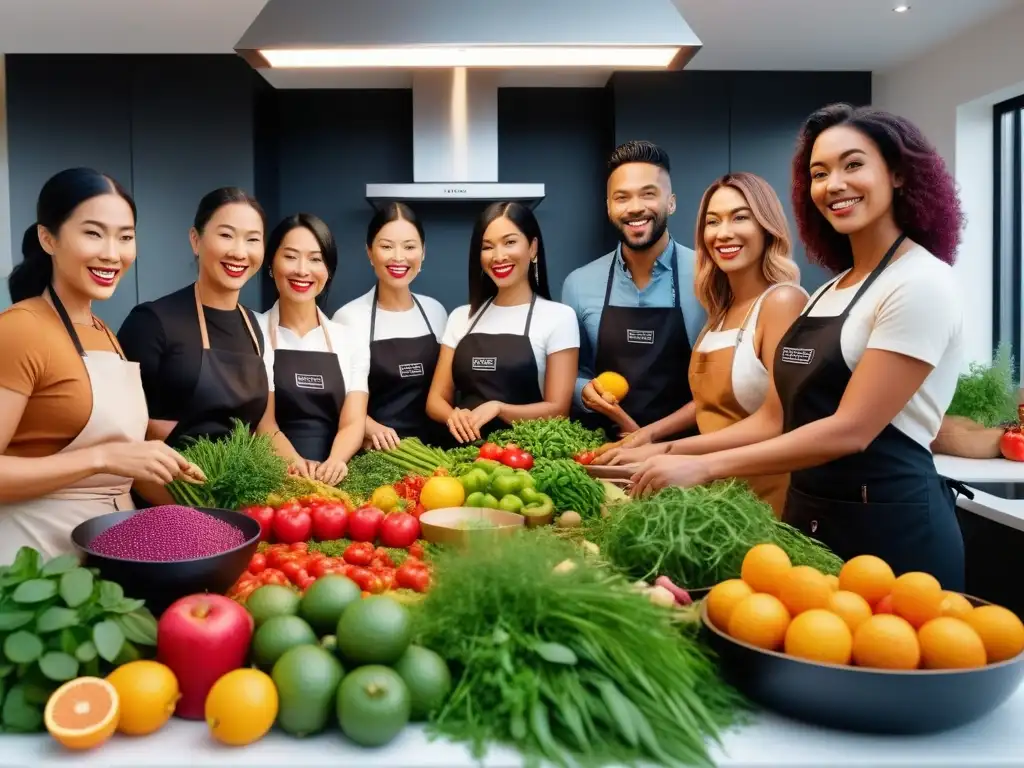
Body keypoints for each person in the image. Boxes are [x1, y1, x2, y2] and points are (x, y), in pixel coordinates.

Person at [631, 104, 967, 590]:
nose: (834, 184)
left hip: (891, 527)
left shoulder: (921, 282)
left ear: (897, 173)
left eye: (853, 165)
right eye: (819, 173)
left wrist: (702, 466)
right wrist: (664, 450)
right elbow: (773, 417)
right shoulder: (830, 291)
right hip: (810, 522)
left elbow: (851, 430)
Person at [0, 168, 199, 560]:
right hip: (33, 560)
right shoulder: (20, 329)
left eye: (125, 237)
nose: (112, 253)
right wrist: (103, 457)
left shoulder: (104, 332)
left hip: (108, 556)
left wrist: (205, 506)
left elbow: (122, 472)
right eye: (93, 233)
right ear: (48, 238)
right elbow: (106, 458)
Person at [596, 173, 808, 516]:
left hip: (765, 501)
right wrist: (649, 435)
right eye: (713, 221)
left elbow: (775, 421)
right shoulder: (720, 312)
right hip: (714, 499)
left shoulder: (782, 301)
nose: (723, 233)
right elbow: (710, 402)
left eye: (740, 217)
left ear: (767, 226)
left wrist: (665, 451)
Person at [562, 140, 706, 441]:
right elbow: (572, 373)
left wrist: (649, 437)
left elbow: (721, 385)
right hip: (605, 452)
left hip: (686, 454)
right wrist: (582, 391)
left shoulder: (708, 275)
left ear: (672, 202)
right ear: (609, 207)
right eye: (622, 197)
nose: (635, 207)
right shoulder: (579, 283)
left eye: (648, 194)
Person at [118, 187, 269, 466]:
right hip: (167, 490)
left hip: (235, 490)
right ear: (195, 240)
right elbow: (121, 429)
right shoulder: (151, 322)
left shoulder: (253, 326)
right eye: (226, 235)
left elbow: (261, 428)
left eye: (253, 240)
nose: (239, 252)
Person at [426, 202, 579, 443]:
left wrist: (499, 408)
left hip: (529, 460)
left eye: (510, 242)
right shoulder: (461, 317)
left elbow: (558, 410)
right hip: (460, 456)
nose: (498, 256)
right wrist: (453, 416)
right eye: (487, 247)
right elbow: (435, 401)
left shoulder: (559, 317)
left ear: (533, 247)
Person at [256, 214, 368, 485]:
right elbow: (263, 423)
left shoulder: (350, 338)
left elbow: (354, 421)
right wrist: (296, 465)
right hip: (270, 477)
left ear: (328, 270)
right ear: (271, 263)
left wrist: (335, 462)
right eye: (291, 256)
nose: (302, 270)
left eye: (316, 259)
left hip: (334, 481)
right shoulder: (252, 331)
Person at [334, 203, 448, 450]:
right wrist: (370, 427)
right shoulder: (349, 318)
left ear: (423, 252)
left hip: (437, 455)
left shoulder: (436, 312)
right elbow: (336, 400)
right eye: (386, 246)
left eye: (409, 246)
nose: (399, 257)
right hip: (378, 453)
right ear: (369, 252)